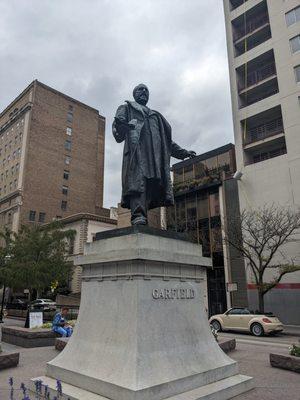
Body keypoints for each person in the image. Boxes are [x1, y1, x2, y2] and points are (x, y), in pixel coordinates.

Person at [113, 83, 196, 225]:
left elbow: (167, 142)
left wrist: (183, 153)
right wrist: (121, 125)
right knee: (138, 185)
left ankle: (144, 217)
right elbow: (118, 131)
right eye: (140, 89)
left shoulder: (156, 116)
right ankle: (138, 215)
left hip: (154, 159)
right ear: (134, 94)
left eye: (146, 90)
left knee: (150, 186)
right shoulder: (126, 108)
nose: (144, 91)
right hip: (137, 155)